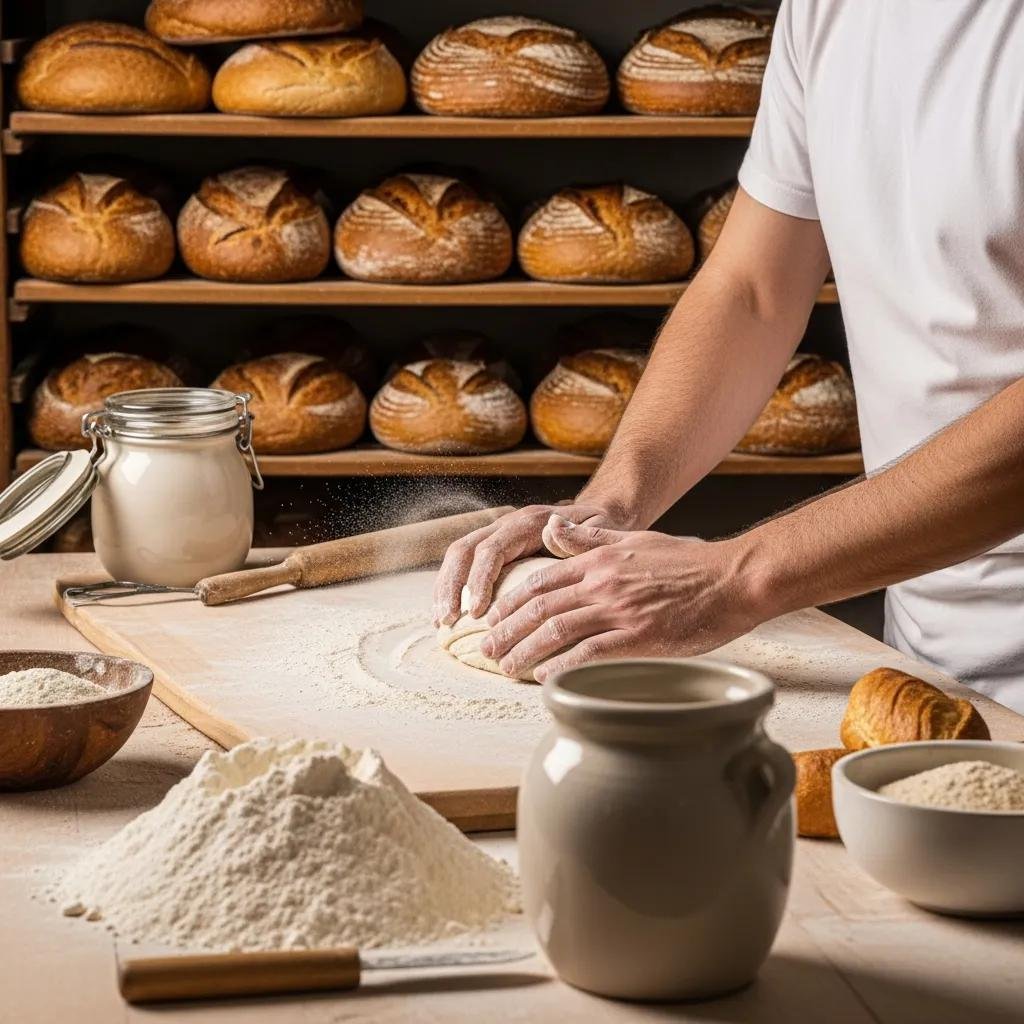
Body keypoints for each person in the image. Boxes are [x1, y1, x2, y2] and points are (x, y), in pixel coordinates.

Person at [434, 1, 1024, 713]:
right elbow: (752, 290)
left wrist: (735, 578)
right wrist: (604, 509)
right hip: (924, 658)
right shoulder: (829, 12)